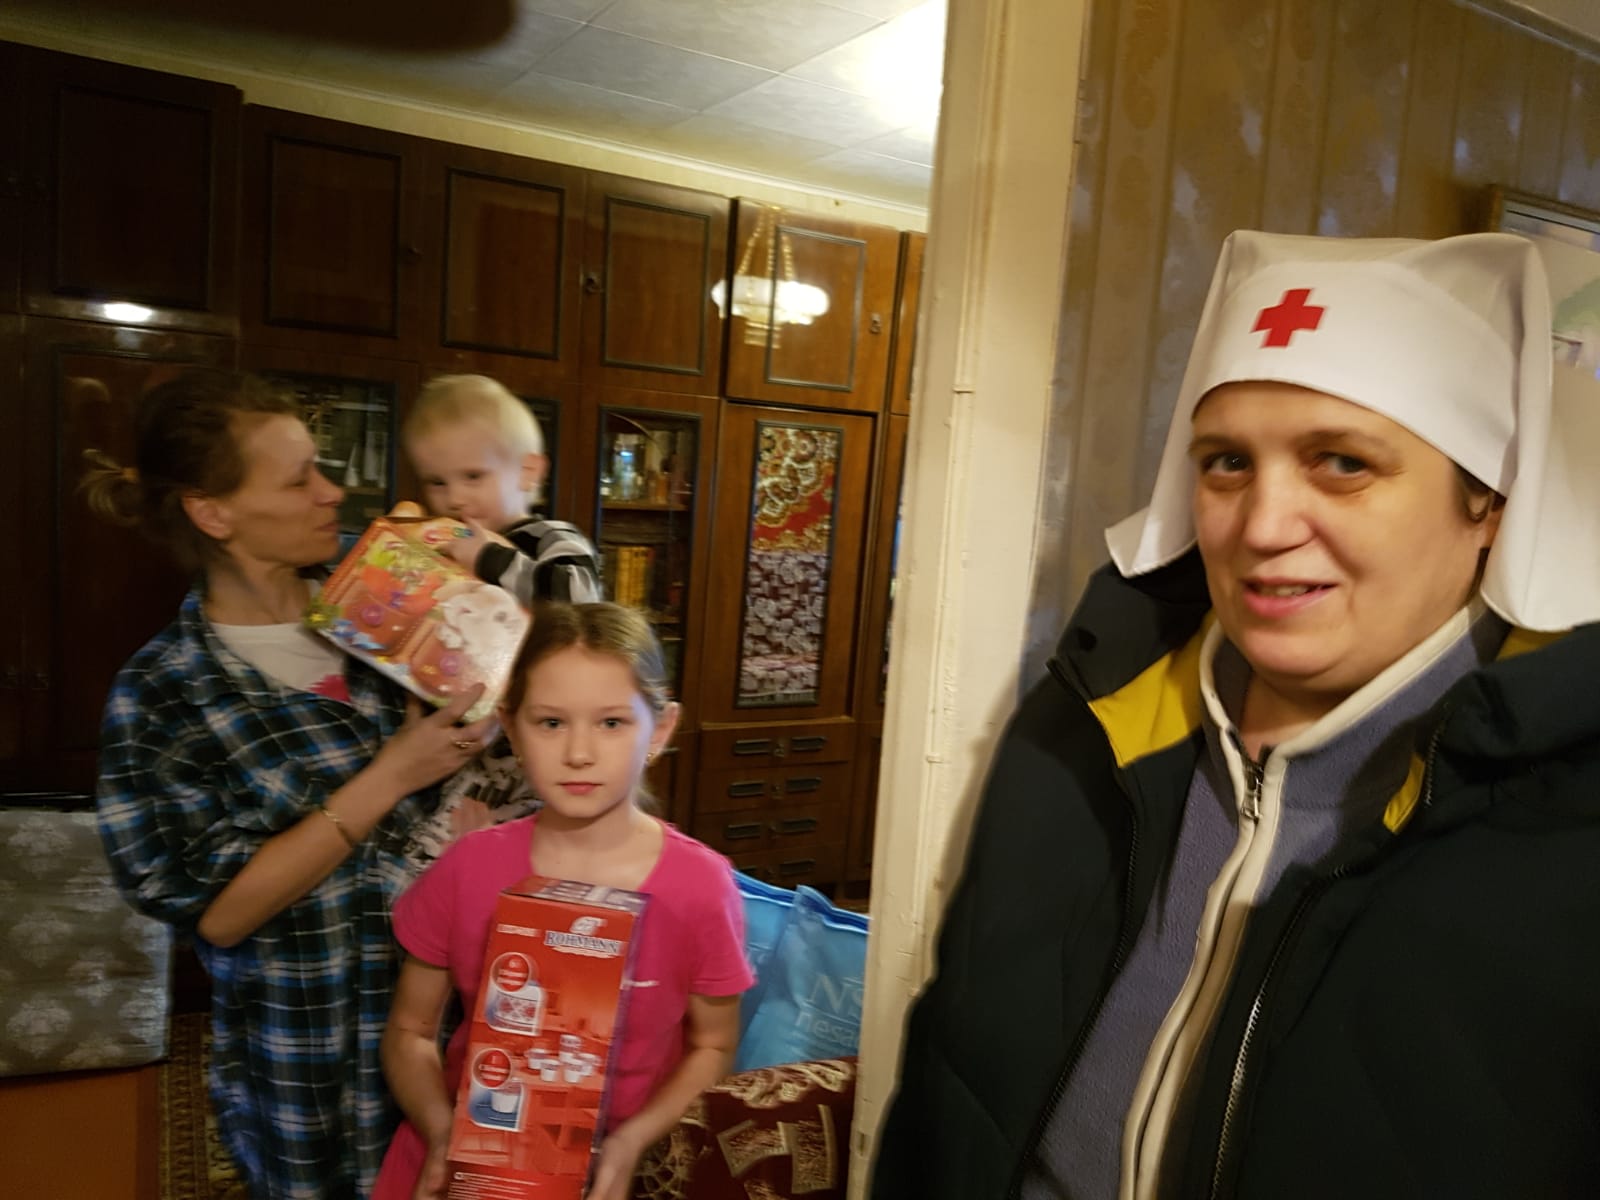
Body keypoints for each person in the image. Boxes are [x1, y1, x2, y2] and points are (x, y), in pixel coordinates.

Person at [871, 231, 1600, 1199]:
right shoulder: (1085, 721)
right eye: (1224, 463)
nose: (1260, 525)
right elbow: (946, 1077)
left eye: (1341, 462)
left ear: (1490, 505)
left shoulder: (1568, 826)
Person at [86, 369, 498, 1200]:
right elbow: (222, 913)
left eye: (322, 466)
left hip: (459, 1022)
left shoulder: (392, 600)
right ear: (214, 513)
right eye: (298, 477)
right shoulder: (165, 691)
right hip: (309, 1057)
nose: (331, 491)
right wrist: (393, 772)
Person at [373, 602, 755, 1200]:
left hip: (619, 1175)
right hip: (461, 1164)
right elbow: (410, 1032)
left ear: (660, 729)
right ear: (511, 727)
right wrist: (440, 1130)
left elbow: (714, 1044)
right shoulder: (468, 868)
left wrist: (633, 1141)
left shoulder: (701, 885)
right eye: (551, 722)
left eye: (611, 723)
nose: (579, 753)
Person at [400, 373, 605, 867]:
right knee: (444, 849)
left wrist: (490, 560)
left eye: (473, 476)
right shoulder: (443, 545)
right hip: (468, 734)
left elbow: (579, 596)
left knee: (518, 851)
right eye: (437, 482)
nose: (454, 498)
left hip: (539, 739)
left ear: (528, 472)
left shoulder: (549, 538)